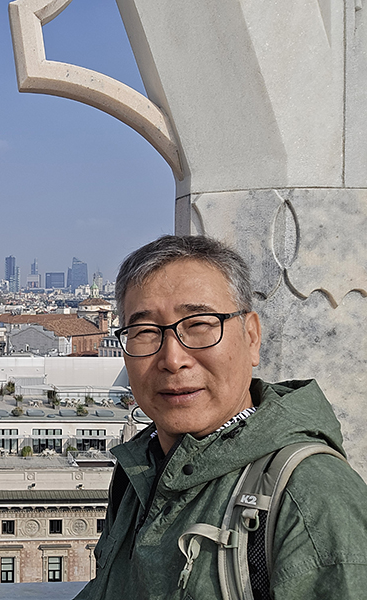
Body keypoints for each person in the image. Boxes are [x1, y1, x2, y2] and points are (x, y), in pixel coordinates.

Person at [75, 235, 367, 600]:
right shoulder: (139, 472)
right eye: (146, 332)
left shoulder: (312, 498)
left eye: (199, 325)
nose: (173, 359)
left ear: (252, 337)